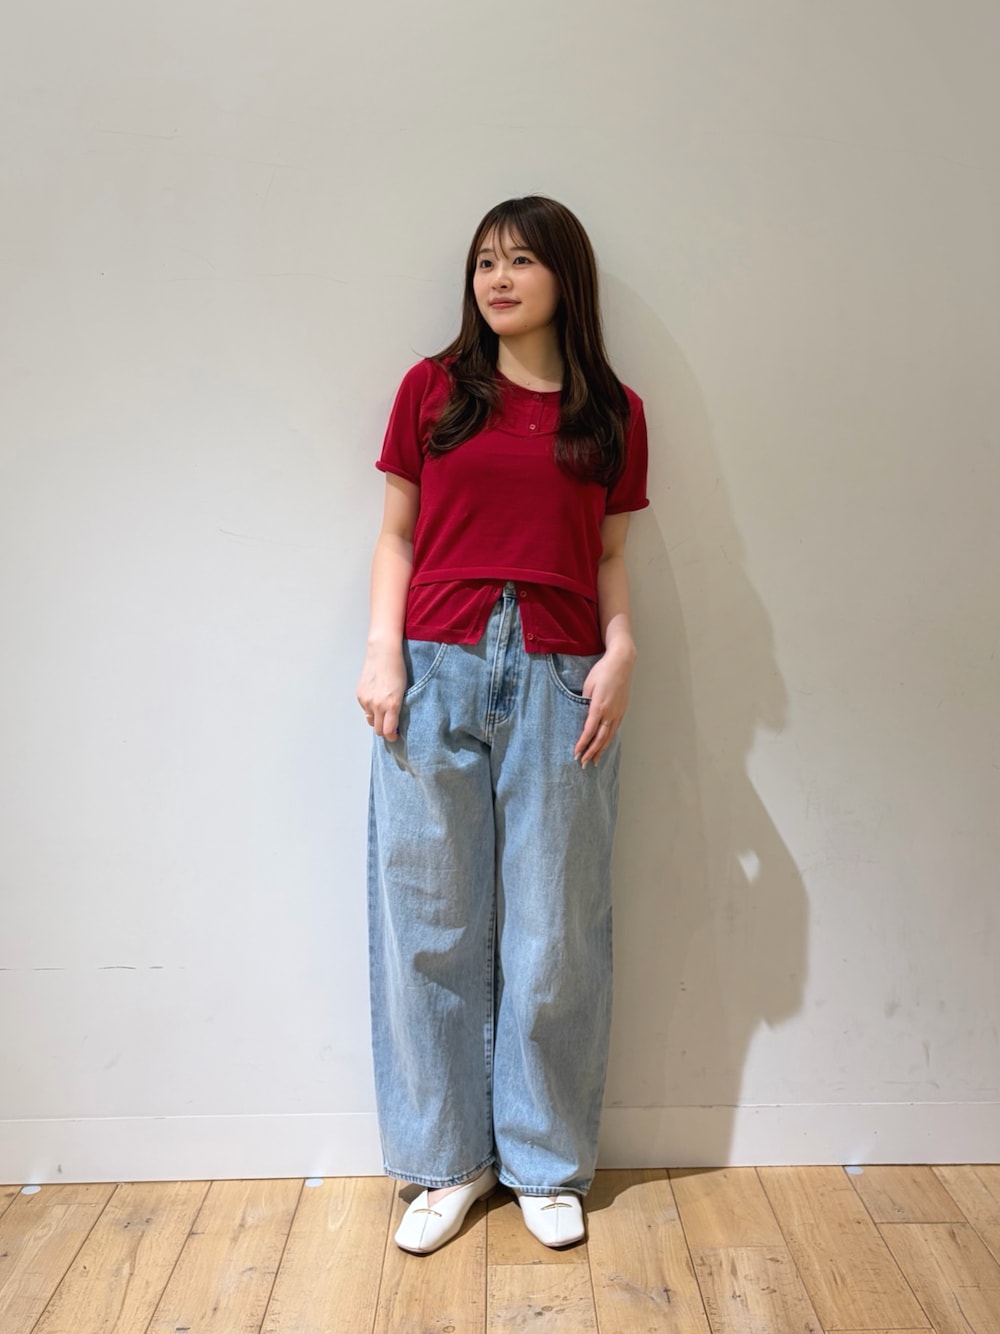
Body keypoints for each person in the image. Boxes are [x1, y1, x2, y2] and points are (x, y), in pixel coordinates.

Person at [356, 195, 648, 1254]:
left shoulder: (611, 411)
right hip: (434, 663)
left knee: (553, 926)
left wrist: (621, 649)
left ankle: (543, 1160)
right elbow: (397, 535)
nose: (498, 278)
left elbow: (610, 553)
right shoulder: (432, 391)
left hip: (565, 673)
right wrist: (382, 650)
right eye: (485, 261)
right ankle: (445, 1162)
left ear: (566, 276)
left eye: (521, 260)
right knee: (429, 918)